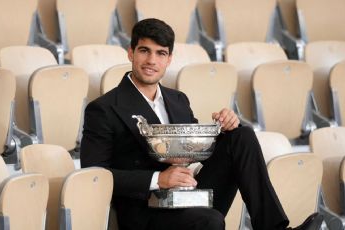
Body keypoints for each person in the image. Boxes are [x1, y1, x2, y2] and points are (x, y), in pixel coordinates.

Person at [80, 18, 323, 230]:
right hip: (147, 212)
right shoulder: (103, 108)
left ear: (169, 59)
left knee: (242, 135)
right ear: (130, 53)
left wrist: (224, 127)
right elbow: (94, 176)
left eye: (160, 53)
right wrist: (158, 179)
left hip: (190, 195)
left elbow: (198, 151)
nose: (151, 60)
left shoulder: (178, 100)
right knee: (209, 220)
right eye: (144, 50)